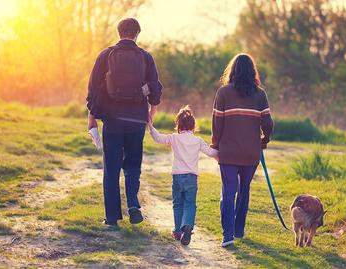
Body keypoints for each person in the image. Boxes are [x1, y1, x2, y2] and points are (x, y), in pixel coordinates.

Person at [86, 18, 163, 227]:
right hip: (136, 120)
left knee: (111, 168)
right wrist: (150, 114)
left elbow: (93, 89)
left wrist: (91, 118)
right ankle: (133, 205)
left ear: (119, 32)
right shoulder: (146, 58)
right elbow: (155, 91)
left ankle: (111, 219)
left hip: (112, 120)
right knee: (132, 165)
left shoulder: (106, 55)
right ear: (137, 33)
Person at [211, 53, 274, 247]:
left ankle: (227, 236)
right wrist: (264, 140)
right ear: (252, 71)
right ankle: (239, 230)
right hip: (251, 153)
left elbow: (217, 124)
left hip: (229, 152)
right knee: (244, 190)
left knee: (228, 192)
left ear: (233, 70)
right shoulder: (260, 94)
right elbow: (268, 123)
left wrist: (215, 144)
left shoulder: (223, 93)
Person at [148, 105, 218, 245]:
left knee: (177, 204)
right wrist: (222, 146)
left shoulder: (174, 138)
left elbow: (158, 138)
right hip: (192, 177)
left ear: (178, 125)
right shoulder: (198, 141)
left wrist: (150, 125)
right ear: (193, 126)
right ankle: (187, 226)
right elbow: (212, 153)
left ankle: (177, 231)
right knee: (190, 204)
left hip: (177, 177)